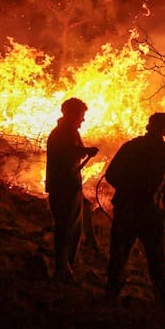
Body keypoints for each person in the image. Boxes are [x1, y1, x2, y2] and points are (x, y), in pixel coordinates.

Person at [102, 112, 165, 308]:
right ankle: (163, 304)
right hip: (150, 212)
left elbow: (110, 174)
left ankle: (111, 297)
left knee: (119, 256)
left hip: (126, 208)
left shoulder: (131, 147)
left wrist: (126, 189)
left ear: (148, 126)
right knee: (156, 260)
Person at [45, 97, 100, 284]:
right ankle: (62, 270)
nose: (83, 120)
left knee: (73, 229)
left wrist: (84, 150)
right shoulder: (62, 133)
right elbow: (67, 153)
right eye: (81, 116)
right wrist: (86, 151)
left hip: (70, 186)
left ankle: (67, 267)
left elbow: (72, 151)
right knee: (65, 229)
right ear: (72, 114)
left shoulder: (69, 132)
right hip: (63, 188)